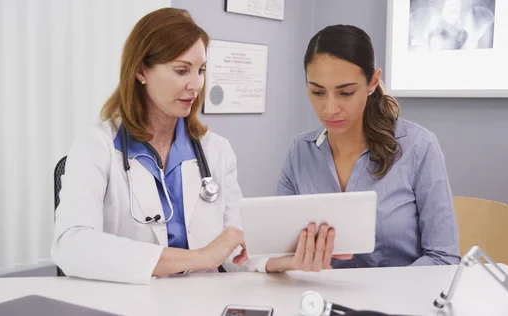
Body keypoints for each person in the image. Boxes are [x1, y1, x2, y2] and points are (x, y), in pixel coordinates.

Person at [51, 8, 343, 285]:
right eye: (182, 70)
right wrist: (200, 257)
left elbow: (235, 245)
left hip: (202, 303)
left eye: (201, 70)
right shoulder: (96, 146)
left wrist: (285, 260)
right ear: (141, 71)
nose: (196, 84)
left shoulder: (216, 151)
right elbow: (71, 244)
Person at [277, 24, 461, 269]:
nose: (330, 109)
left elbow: (443, 258)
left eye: (346, 93)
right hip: (318, 300)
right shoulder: (300, 151)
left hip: (399, 302)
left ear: (373, 82)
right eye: (318, 92)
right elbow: (278, 249)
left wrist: (378, 296)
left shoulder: (419, 146)